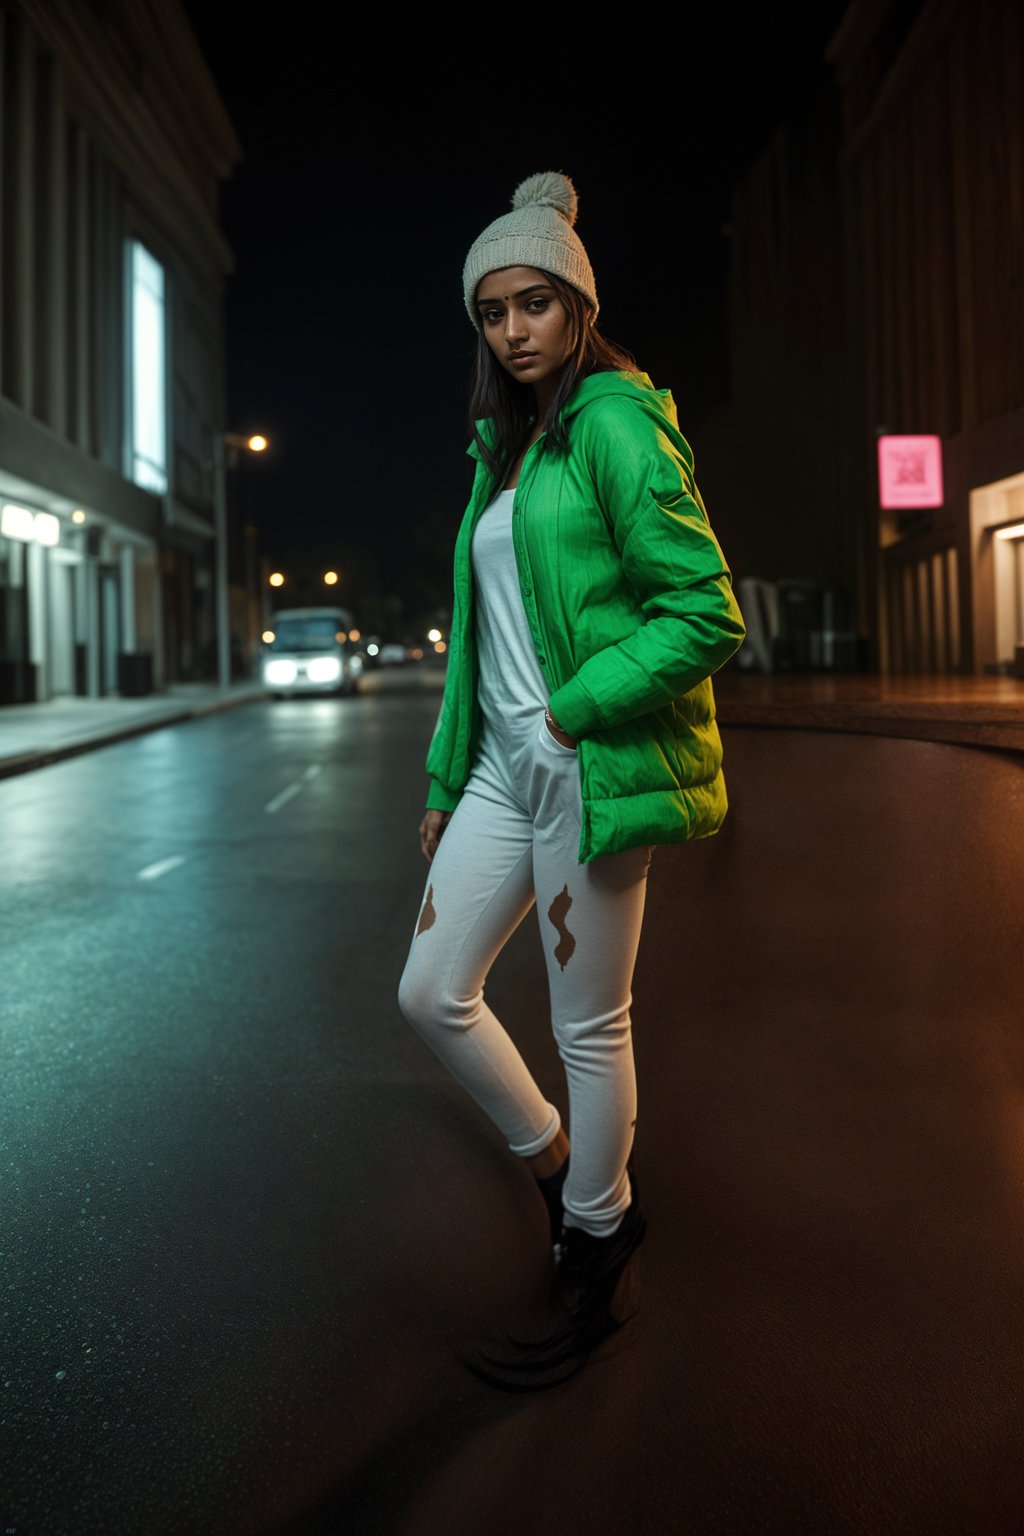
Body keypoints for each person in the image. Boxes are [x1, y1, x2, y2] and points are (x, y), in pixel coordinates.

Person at [397, 171, 746, 1389]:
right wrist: (450, 772)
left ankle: (599, 1243)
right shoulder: (501, 448)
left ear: (578, 306)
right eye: (492, 313)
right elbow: (477, 637)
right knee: (430, 992)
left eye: (535, 304)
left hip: (587, 768)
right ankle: (559, 1170)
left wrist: (575, 707)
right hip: (498, 774)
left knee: (588, 1023)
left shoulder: (613, 421)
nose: (513, 331)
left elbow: (704, 612)